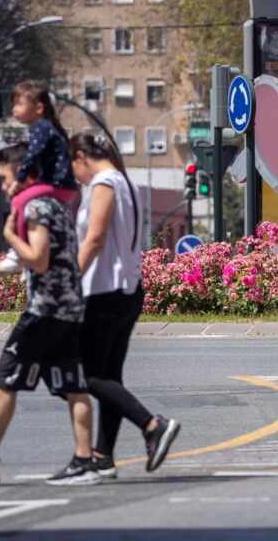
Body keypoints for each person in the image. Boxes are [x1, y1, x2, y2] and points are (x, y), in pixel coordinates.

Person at [0, 144, 100, 486]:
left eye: (6, 178)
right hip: (69, 310)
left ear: (26, 175)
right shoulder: (55, 206)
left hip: (44, 311)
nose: (3, 186)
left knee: (5, 381)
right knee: (73, 386)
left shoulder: (35, 209)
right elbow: (18, 263)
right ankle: (84, 460)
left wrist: (10, 234)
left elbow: (38, 259)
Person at [69, 130, 180, 478]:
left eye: (74, 166)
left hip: (104, 289)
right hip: (128, 289)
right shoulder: (127, 183)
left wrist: (71, 280)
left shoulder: (103, 183)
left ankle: (151, 424)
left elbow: (96, 236)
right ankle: (103, 454)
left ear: (82, 157)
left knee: (88, 376)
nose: (75, 176)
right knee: (109, 375)